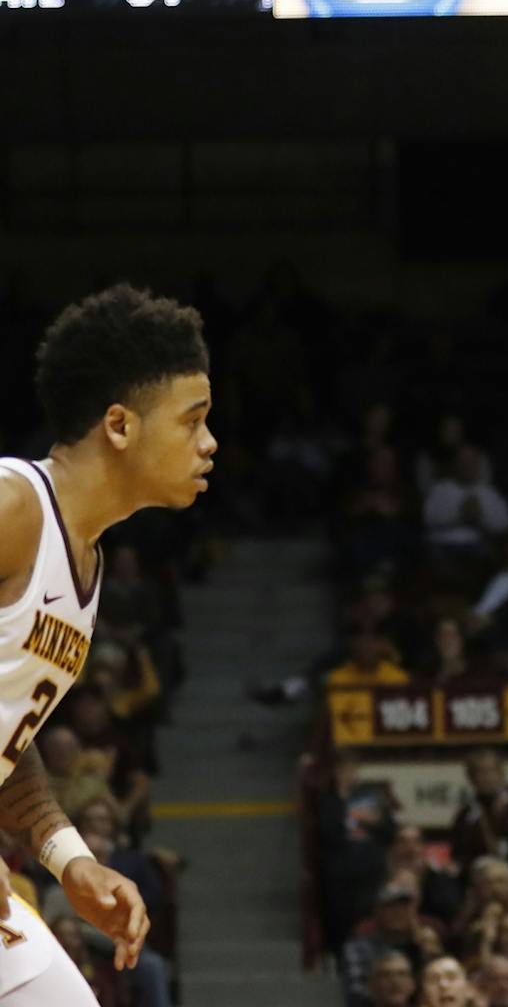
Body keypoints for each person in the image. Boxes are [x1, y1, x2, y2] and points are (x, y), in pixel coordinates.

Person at [0, 285, 210, 1000]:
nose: (209, 444)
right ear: (119, 425)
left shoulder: (80, 566)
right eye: (194, 421)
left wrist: (68, 857)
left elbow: (4, 735)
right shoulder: (14, 506)